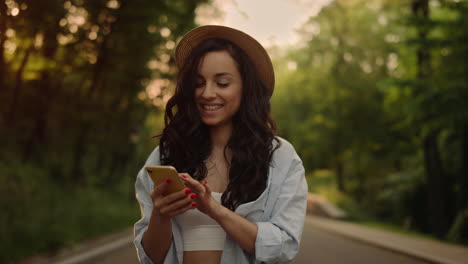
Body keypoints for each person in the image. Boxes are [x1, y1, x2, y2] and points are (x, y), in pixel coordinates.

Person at [133, 25, 308, 264]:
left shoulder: (280, 157)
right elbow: (150, 257)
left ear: (246, 88)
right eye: (198, 83)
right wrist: (161, 215)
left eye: (222, 83)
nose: (207, 93)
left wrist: (214, 209)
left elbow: (284, 246)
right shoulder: (165, 155)